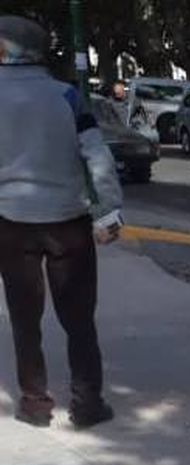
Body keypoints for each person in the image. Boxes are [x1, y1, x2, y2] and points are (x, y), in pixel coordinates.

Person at [0, 15, 123, 428]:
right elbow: (96, 155)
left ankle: (35, 403)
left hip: (11, 222)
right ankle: (87, 403)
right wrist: (109, 210)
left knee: (24, 318)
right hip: (68, 220)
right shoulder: (67, 96)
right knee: (79, 320)